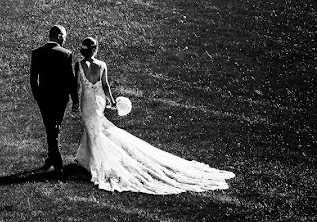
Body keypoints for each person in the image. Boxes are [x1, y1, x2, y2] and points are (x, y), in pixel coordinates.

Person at [74, 37, 235, 194]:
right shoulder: (101, 65)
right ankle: (88, 158)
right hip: (99, 101)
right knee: (95, 129)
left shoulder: (79, 65)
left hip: (87, 102)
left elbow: (77, 86)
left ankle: (98, 164)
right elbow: (105, 85)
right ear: (95, 49)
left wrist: (75, 102)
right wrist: (112, 102)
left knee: (94, 130)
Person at [30, 25, 79, 175]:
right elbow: (70, 79)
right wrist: (75, 99)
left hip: (44, 97)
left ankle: (51, 158)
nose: (65, 39)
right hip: (60, 97)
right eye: (64, 36)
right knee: (54, 127)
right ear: (58, 36)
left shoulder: (37, 53)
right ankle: (58, 162)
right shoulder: (66, 54)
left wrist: (37, 95)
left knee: (50, 127)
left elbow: (33, 77)